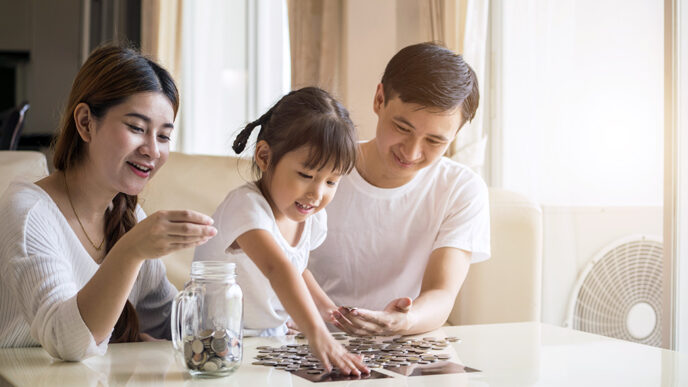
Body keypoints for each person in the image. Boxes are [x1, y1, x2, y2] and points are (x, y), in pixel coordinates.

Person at [0, 45, 217, 361]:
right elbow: (67, 342)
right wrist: (131, 250)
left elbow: (169, 322)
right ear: (86, 122)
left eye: (164, 136)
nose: (152, 150)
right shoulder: (28, 213)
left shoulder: (127, 214)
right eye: (136, 128)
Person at [308, 42, 490, 336]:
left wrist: (405, 320)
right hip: (309, 334)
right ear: (379, 100)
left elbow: (442, 293)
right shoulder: (318, 169)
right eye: (403, 128)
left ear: (455, 135)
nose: (412, 152)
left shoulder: (460, 189)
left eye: (435, 141)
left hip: (404, 345)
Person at [193, 87, 368, 375]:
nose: (316, 193)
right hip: (216, 346)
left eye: (331, 182)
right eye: (306, 175)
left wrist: (326, 311)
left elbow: (298, 270)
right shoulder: (245, 206)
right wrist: (316, 332)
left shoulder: (310, 216)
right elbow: (278, 267)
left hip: (270, 340)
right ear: (264, 156)